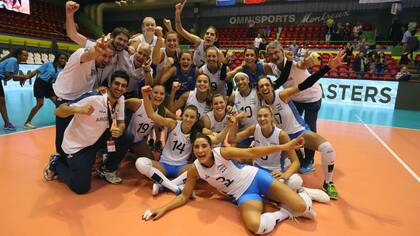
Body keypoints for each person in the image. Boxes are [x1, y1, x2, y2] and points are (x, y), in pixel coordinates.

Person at [143, 133, 316, 235]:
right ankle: (284, 212)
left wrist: (284, 146)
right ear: (193, 150)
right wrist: (163, 208)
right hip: (244, 195)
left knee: (301, 208)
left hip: (256, 178)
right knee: (256, 227)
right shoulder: (195, 170)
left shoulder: (221, 153)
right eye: (197, 147)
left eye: (204, 146)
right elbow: (184, 195)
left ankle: (303, 192)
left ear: (211, 147)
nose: (201, 150)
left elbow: (251, 152)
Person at [256, 50, 343, 200]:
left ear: (272, 86)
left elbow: (306, 83)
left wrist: (328, 67)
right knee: (281, 173)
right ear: (258, 90)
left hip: (299, 133)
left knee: (327, 148)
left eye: (267, 85)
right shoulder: (260, 102)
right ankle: (300, 171)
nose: (264, 88)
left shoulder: (282, 95)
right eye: (261, 86)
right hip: (282, 140)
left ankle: (328, 182)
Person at [43, 71, 133, 194]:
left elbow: (121, 122)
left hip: (96, 140)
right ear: (110, 84)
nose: (120, 88)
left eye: (123, 86)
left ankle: (107, 169)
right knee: (81, 187)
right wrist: (78, 109)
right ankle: (56, 163)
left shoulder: (121, 99)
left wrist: (120, 129)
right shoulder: (94, 97)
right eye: (117, 84)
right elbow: (58, 111)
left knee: (126, 136)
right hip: (78, 146)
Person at [228, 106, 330, 203]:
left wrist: (285, 175)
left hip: (274, 173)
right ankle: (288, 194)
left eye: (265, 116)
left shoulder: (281, 135)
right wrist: (234, 122)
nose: (262, 118)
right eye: (259, 116)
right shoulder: (255, 128)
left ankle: (304, 193)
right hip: (257, 171)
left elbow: (296, 162)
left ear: (272, 117)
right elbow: (232, 139)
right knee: (234, 171)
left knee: (295, 181)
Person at [125, 84, 177, 159]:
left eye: (162, 94)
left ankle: (131, 154)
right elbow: (119, 103)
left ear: (165, 96)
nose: (158, 96)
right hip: (125, 138)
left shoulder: (162, 110)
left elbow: (177, 117)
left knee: (150, 160)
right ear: (150, 93)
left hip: (138, 141)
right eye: (156, 92)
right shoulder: (137, 103)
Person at [23, 52, 68, 129]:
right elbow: (36, 72)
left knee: (58, 102)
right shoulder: (49, 64)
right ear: (57, 58)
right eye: (61, 58)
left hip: (49, 85)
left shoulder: (63, 69)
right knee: (40, 103)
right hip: (40, 83)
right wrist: (25, 78)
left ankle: (62, 119)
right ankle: (27, 122)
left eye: (65, 59)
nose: (63, 60)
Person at [175, 0, 223, 68]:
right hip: (194, 73)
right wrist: (177, 14)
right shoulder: (198, 41)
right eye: (207, 33)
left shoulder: (218, 53)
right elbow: (180, 30)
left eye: (212, 34)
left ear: (216, 39)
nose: (208, 36)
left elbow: (220, 71)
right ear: (204, 36)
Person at [0, 48, 30, 130]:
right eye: (24, 55)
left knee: (2, 102)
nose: (26, 57)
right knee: (2, 102)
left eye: (27, 56)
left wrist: (21, 78)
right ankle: (7, 123)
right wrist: (24, 77)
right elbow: (8, 74)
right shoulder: (13, 60)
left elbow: (14, 78)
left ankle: (7, 124)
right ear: (19, 55)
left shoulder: (16, 64)